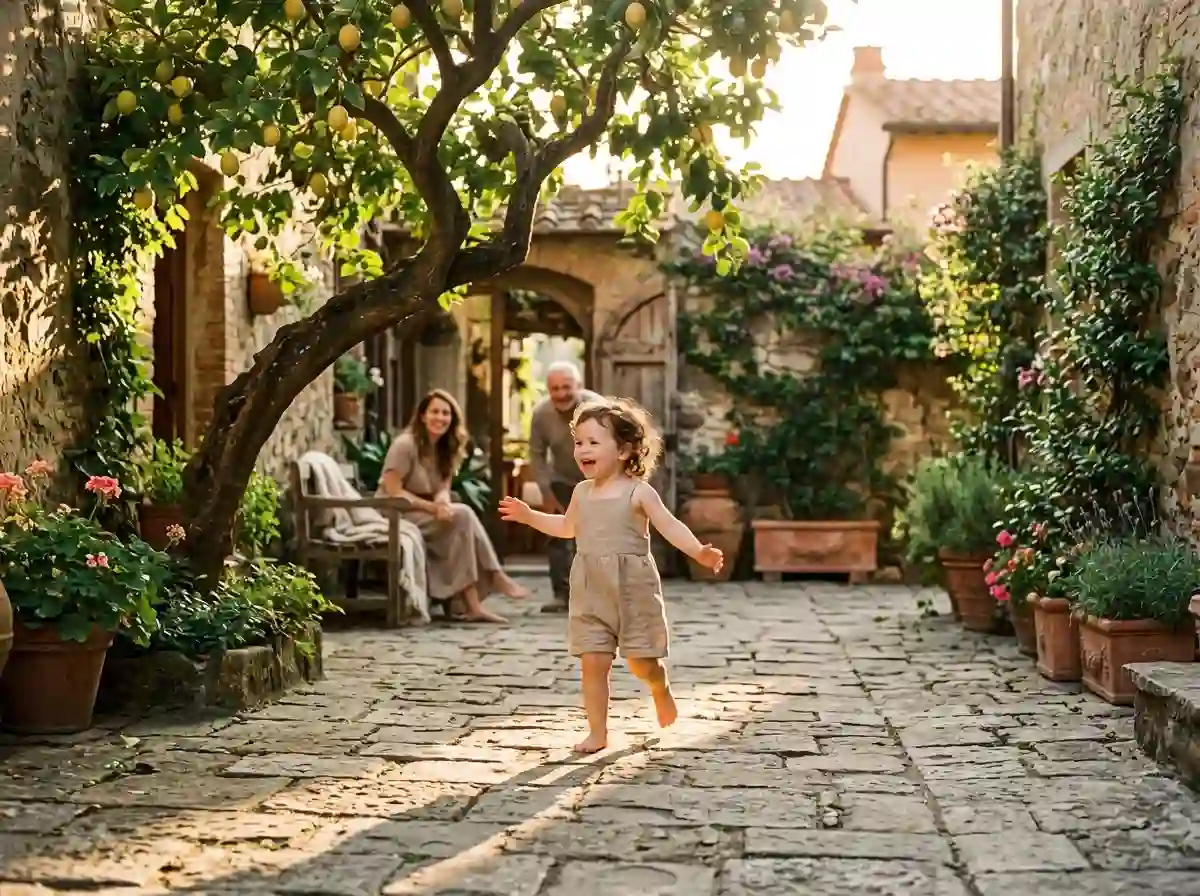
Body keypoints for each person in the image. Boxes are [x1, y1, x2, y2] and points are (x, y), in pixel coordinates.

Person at [500, 397, 724, 753]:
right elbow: (566, 527)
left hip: (632, 590)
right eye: (578, 442)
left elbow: (669, 525)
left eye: (593, 442)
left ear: (623, 450)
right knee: (593, 661)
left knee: (641, 662)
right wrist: (530, 516)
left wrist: (699, 551)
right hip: (590, 588)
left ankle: (659, 685)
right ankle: (598, 732)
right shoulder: (581, 492)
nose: (582, 449)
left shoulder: (639, 493)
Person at [379, 388, 528, 624]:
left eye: (446, 413)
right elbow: (393, 490)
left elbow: (443, 487)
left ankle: (473, 605)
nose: (440, 418)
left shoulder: (445, 447)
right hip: (395, 512)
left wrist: (442, 502)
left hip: (424, 510)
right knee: (464, 516)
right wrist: (432, 508)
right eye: (435, 412)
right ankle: (492, 579)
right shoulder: (405, 445)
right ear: (422, 415)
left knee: (460, 521)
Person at [527, 361, 600, 613]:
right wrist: (545, 491)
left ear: (578, 386)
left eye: (566, 387)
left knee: (597, 536)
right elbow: (536, 454)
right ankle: (562, 594)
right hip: (562, 480)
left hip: (597, 480)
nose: (561, 394)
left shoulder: (598, 408)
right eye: (554, 389)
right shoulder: (541, 415)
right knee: (558, 537)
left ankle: (597, 595)